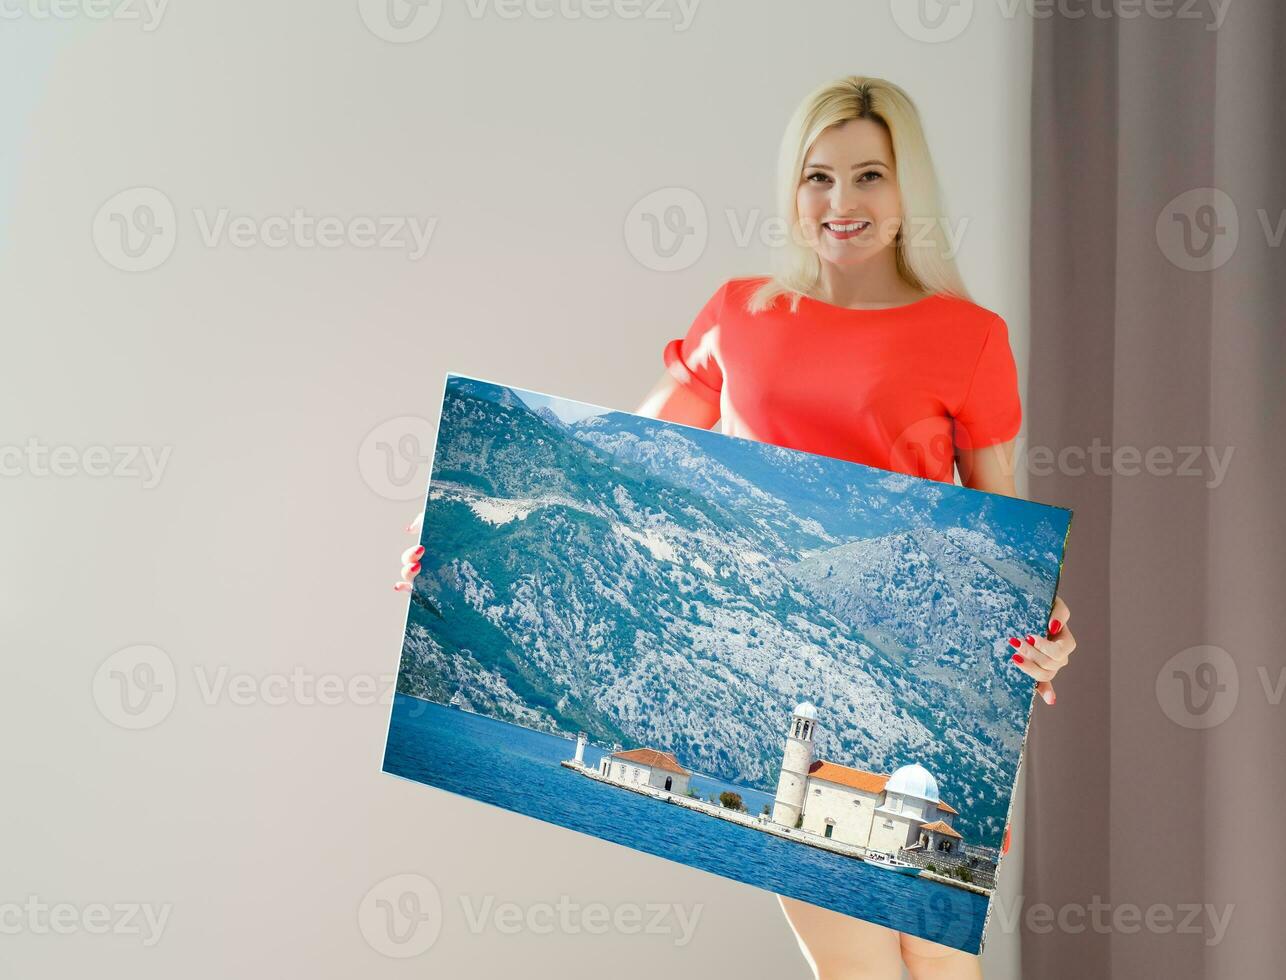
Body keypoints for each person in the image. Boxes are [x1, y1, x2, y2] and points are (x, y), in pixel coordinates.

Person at [397, 76, 1078, 980]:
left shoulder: (971, 338)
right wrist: (450, 514)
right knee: (861, 972)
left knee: (943, 968)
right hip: (791, 683)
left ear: (909, 189)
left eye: (870, 176)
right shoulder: (740, 314)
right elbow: (617, 454)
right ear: (792, 190)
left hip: (915, 684)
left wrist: (1047, 629)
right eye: (818, 176)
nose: (842, 203)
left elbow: (1006, 529)